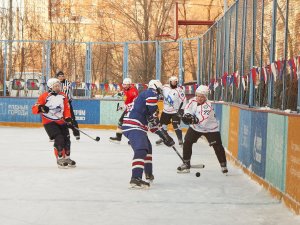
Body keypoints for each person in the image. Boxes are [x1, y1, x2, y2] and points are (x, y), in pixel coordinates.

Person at [122, 80, 175, 189]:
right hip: (134, 125)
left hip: (135, 125)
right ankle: (135, 178)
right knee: (141, 149)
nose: (160, 94)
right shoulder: (150, 93)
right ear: (156, 88)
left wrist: (165, 137)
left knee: (148, 147)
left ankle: (148, 173)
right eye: (160, 91)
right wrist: (152, 114)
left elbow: (153, 126)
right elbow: (151, 107)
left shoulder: (148, 101)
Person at [177, 85, 228, 174]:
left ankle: (223, 165)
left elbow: (202, 121)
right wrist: (187, 115)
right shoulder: (192, 100)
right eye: (198, 96)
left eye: (202, 97)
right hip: (195, 128)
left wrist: (192, 120)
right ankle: (186, 163)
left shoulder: (207, 106)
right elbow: (187, 109)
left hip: (210, 128)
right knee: (187, 142)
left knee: (218, 146)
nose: (199, 98)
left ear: (205, 97)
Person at [32, 78, 76, 168]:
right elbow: (34, 108)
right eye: (55, 86)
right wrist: (41, 108)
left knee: (67, 140)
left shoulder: (63, 95)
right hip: (49, 122)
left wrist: (68, 118)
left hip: (61, 121)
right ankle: (60, 159)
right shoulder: (44, 96)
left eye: (58, 86)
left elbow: (67, 109)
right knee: (59, 138)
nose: (58, 87)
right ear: (50, 87)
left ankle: (67, 157)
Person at [156, 76, 186, 146]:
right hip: (166, 110)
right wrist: (158, 91)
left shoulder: (180, 90)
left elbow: (183, 100)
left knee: (176, 125)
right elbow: (158, 92)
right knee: (162, 125)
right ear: (170, 82)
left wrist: (181, 110)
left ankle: (180, 139)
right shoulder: (165, 88)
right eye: (172, 82)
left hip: (175, 111)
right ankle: (164, 138)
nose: (174, 83)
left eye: (175, 82)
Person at [109, 78, 139, 143]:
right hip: (129, 108)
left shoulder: (133, 92)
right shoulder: (127, 89)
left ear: (130, 85)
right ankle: (118, 137)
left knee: (131, 124)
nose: (124, 86)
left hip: (133, 110)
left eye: (126, 85)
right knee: (121, 122)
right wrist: (118, 94)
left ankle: (133, 139)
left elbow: (133, 103)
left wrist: (122, 107)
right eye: (124, 85)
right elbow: (124, 93)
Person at [56, 70, 80, 140]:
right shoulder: (54, 84)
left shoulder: (68, 83)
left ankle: (76, 133)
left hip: (67, 104)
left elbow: (71, 93)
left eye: (62, 76)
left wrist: (70, 99)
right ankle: (56, 135)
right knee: (57, 119)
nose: (61, 77)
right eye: (59, 76)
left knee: (71, 118)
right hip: (58, 104)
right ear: (57, 77)